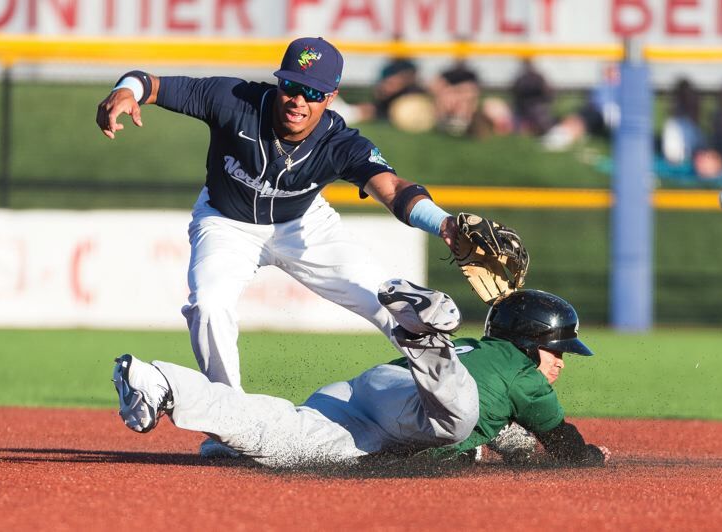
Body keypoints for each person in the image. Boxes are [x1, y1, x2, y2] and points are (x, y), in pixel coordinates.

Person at [96, 37, 459, 457]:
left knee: (389, 300)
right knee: (209, 305)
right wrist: (125, 89)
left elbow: (392, 188)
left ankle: (460, 406)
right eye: (291, 86)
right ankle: (231, 423)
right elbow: (150, 83)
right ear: (278, 82)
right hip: (226, 221)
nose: (299, 100)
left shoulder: (339, 142)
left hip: (304, 225)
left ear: (331, 96)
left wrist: (443, 221)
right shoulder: (234, 100)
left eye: (313, 92)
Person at [112, 279, 610, 468]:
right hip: (423, 399)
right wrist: (586, 455)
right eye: (555, 350)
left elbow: (503, 436)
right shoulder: (523, 373)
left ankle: (162, 382)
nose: (561, 361)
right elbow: (559, 439)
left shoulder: (482, 352)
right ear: (527, 345)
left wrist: (495, 449)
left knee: (287, 439)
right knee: (455, 417)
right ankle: (423, 336)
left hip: (366, 399)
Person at [511, 58, 555, 136]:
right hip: (525, 108)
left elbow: (549, 94)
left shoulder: (538, 77)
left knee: (541, 114)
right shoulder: (521, 79)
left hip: (538, 106)